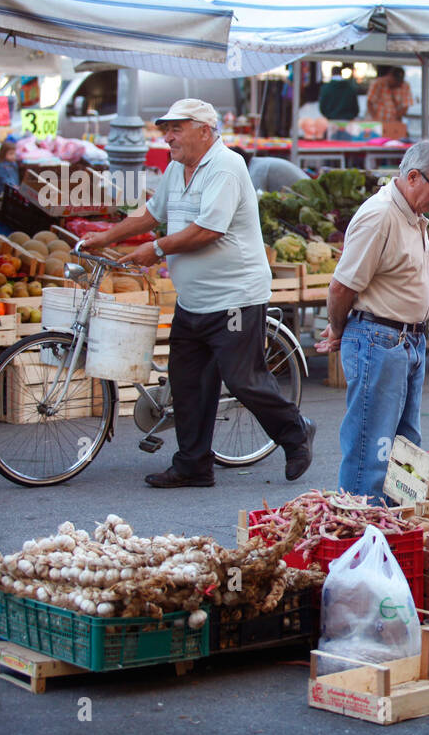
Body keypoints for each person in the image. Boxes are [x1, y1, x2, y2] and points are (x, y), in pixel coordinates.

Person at [78, 99, 314, 488]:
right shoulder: (176, 168)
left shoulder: (226, 166)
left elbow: (208, 230)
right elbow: (151, 214)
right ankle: (193, 465)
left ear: (205, 130)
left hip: (234, 297)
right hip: (194, 299)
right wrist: (105, 236)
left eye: (176, 128)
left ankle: (296, 433)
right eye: (165, 128)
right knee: (188, 383)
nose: (167, 136)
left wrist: (155, 250)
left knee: (243, 379)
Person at [315, 140, 429, 498]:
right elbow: (341, 288)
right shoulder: (380, 215)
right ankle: (362, 531)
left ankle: (392, 528)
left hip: (407, 342)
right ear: (412, 177)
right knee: (372, 448)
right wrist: (339, 329)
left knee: (405, 450)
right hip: (379, 340)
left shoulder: (411, 215)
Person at [366, 66, 413, 140]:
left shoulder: (405, 86)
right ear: (389, 76)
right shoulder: (377, 83)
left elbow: (405, 106)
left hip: (394, 124)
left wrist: (397, 119)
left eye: (399, 82)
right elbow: (369, 102)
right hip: (378, 124)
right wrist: (375, 118)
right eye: (395, 81)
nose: (397, 84)